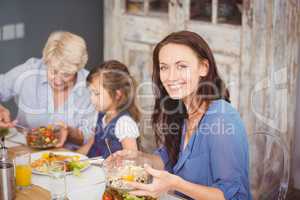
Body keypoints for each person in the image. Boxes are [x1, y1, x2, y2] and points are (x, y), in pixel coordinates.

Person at [108, 31, 251, 200]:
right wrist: (138, 157)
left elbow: (228, 196)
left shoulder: (222, 118)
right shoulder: (182, 113)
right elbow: (167, 160)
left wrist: (175, 184)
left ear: (204, 67)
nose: (171, 77)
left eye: (182, 66)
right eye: (164, 68)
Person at [0, 31, 96, 149]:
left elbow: (89, 137)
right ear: (46, 61)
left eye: (66, 75)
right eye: (53, 71)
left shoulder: (91, 88)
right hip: (21, 152)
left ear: (78, 68)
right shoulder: (29, 71)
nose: (58, 81)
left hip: (64, 160)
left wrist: (69, 132)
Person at [77, 60, 140, 158]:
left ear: (117, 94)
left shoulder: (124, 123)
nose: (92, 99)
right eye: (91, 93)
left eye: (97, 94)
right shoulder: (102, 115)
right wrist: (71, 159)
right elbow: (91, 144)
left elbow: (133, 160)